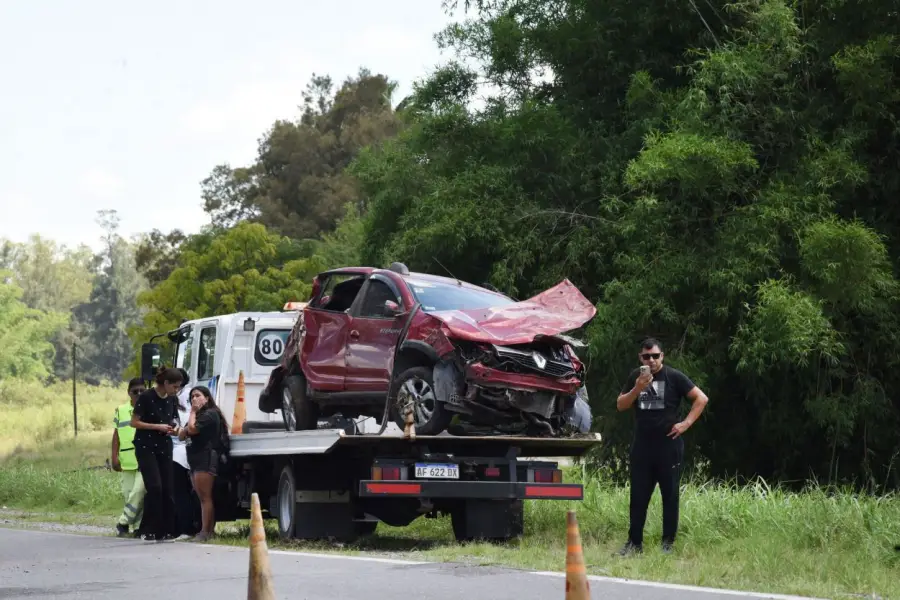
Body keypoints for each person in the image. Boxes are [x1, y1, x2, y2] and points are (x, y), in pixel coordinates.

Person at [616, 337, 708, 555]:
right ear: (641, 358)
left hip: (669, 446)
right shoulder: (635, 377)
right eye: (646, 357)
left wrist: (685, 424)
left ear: (662, 357)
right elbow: (620, 405)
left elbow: (701, 398)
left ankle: (667, 544)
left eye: (655, 356)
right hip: (642, 447)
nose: (651, 360)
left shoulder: (674, 377)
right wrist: (637, 388)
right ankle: (634, 543)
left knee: (670, 496)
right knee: (638, 497)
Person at [131, 366, 182, 542]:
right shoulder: (146, 397)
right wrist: (157, 426)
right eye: (175, 387)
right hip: (146, 445)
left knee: (168, 488)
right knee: (154, 486)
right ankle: (148, 528)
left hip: (164, 445)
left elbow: (173, 419)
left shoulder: (172, 400)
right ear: (166, 383)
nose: (177, 391)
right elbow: (134, 422)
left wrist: (174, 428)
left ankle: (166, 530)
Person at [179, 385, 227, 542]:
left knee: (205, 497)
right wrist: (184, 428)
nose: (194, 399)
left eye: (198, 395)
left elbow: (191, 430)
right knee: (201, 497)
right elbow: (182, 434)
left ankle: (205, 531)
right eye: (192, 396)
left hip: (205, 458)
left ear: (207, 398)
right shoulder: (199, 416)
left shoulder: (210, 414)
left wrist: (192, 412)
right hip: (195, 459)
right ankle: (207, 530)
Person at [111, 377, 147, 537]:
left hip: (144, 458)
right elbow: (116, 435)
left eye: (142, 391)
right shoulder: (120, 410)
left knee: (138, 492)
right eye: (135, 391)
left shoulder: (148, 409)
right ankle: (137, 528)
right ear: (129, 393)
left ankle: (123, 522)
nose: (138, 394)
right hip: (126, 459)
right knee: (129, 495)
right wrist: (114, 457)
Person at [170, 368, 201, 539]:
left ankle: (186, 529)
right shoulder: (190, 398)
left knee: (180, 493)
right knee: (193, 493)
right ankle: (194, 527)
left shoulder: (181, 401)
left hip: (179, 455)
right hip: (187, 453)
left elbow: (181, 430)